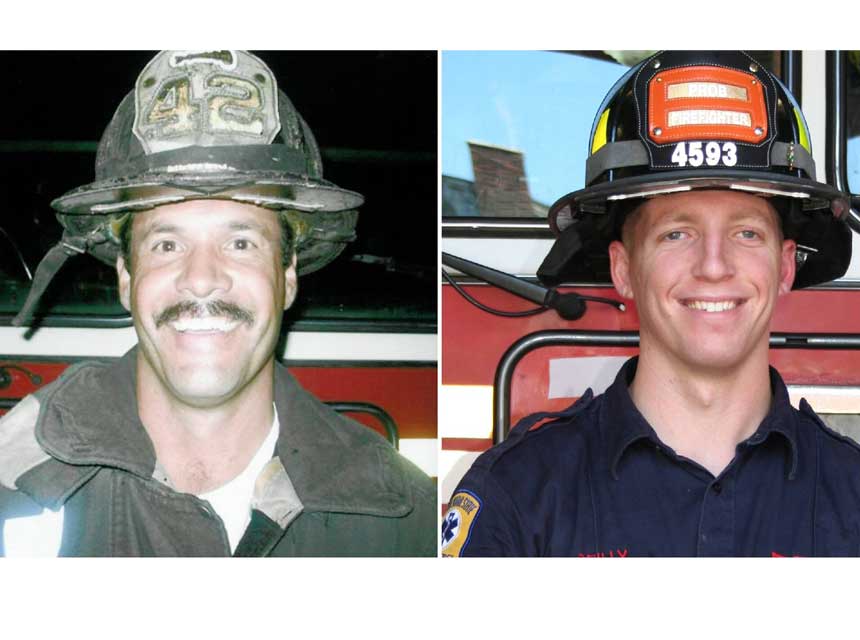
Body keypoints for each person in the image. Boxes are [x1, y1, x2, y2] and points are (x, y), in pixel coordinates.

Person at [0, 50, 435, 557]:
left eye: (240, 243)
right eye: (167, 244)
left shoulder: (405, 520)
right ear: (125, 276)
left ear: (287, 276)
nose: (201, 280)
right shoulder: (17, 473)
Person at [443, 50, 860, 557]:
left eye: (747, 232)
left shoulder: (853, 495)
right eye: (676, 233)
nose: (713, 265)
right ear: (623, 270)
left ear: (786, 265)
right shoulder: (515, 497)